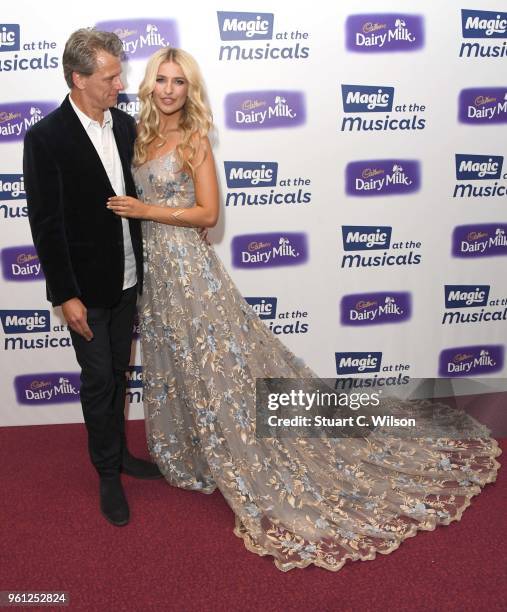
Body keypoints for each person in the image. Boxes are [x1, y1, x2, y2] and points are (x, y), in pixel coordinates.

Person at [107, 47, 502, 571]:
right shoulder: (136, 134)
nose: (169, 89)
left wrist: (148, 210)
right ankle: (192, 451)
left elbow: (209, 211)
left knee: (219, 368)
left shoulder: (195, 139)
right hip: (156, 274)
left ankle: (244, 453)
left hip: (190, 274)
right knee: (177, 365)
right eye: (162, 78)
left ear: (190, 89)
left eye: (180, 81)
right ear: (149, 84)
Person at [23, 28, 162, 528]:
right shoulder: (45, 137)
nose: (120, 83)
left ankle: (120, 452)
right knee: (99, 378)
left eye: (119, 73)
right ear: (78, 79)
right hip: (84, 290)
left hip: (128, 280)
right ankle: (107, 473)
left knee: (119, 374)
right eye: (109, 76)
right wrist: (66, 295)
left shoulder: (125, 126)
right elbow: (46, 222)